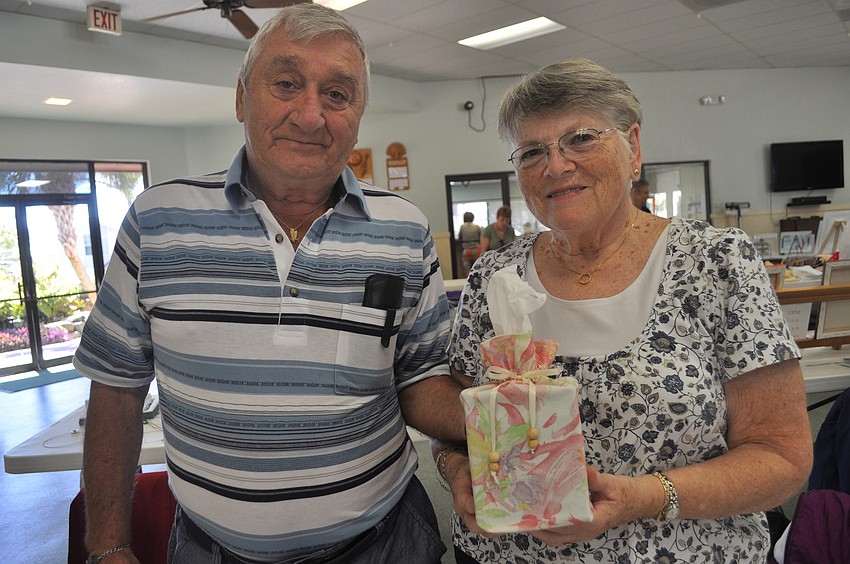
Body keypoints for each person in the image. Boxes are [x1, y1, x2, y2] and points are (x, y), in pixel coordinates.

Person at [75, 5, 466, 564]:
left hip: (386, 542)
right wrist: (108, 545)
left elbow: (422, 378)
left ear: (358, 114)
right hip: (212, 550)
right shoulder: (157, 221)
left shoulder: (404, 229)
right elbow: (116, 388)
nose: (310, 115)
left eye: (337, 93)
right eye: (286, 84)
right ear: (241, 98)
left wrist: (505, 412)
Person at [434, 58, 812, 563]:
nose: (556, 165)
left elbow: (782, 458)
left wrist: (643, 498)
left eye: (582, 138)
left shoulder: (716, 261)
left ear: (633, 147)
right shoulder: (494, 279)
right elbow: (455, 423)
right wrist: (460, 470)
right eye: (531, 152)